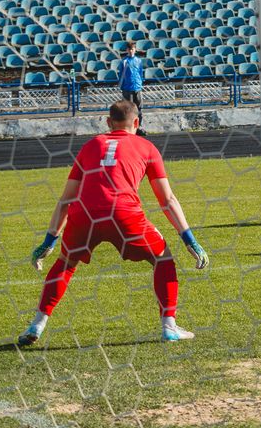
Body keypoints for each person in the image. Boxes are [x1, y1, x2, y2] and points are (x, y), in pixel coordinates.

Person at [20, 100, 208, 346]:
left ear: (108, 123)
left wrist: (49, 240)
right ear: (137, 123)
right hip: (124, 214)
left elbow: (66, 199)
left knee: (65, 263)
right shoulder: (147, 147)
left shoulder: (91, 145)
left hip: (84, 215)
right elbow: (167, 200)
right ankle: (169, 326)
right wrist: (189, 239)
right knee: (162, 258)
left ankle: (37, 324)